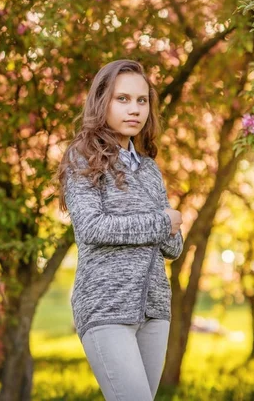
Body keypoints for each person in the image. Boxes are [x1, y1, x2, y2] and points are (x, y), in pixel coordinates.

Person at [57, 59, 183, 401]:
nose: (135, 109)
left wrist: (165, 228)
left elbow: (174, 247)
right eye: (123, 99)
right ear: (102, 102)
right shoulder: (82, 158)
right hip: (105, 306)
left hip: (155, 309)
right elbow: (94, 228)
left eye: (142, 101)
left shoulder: (150, 169)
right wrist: (162, 222)